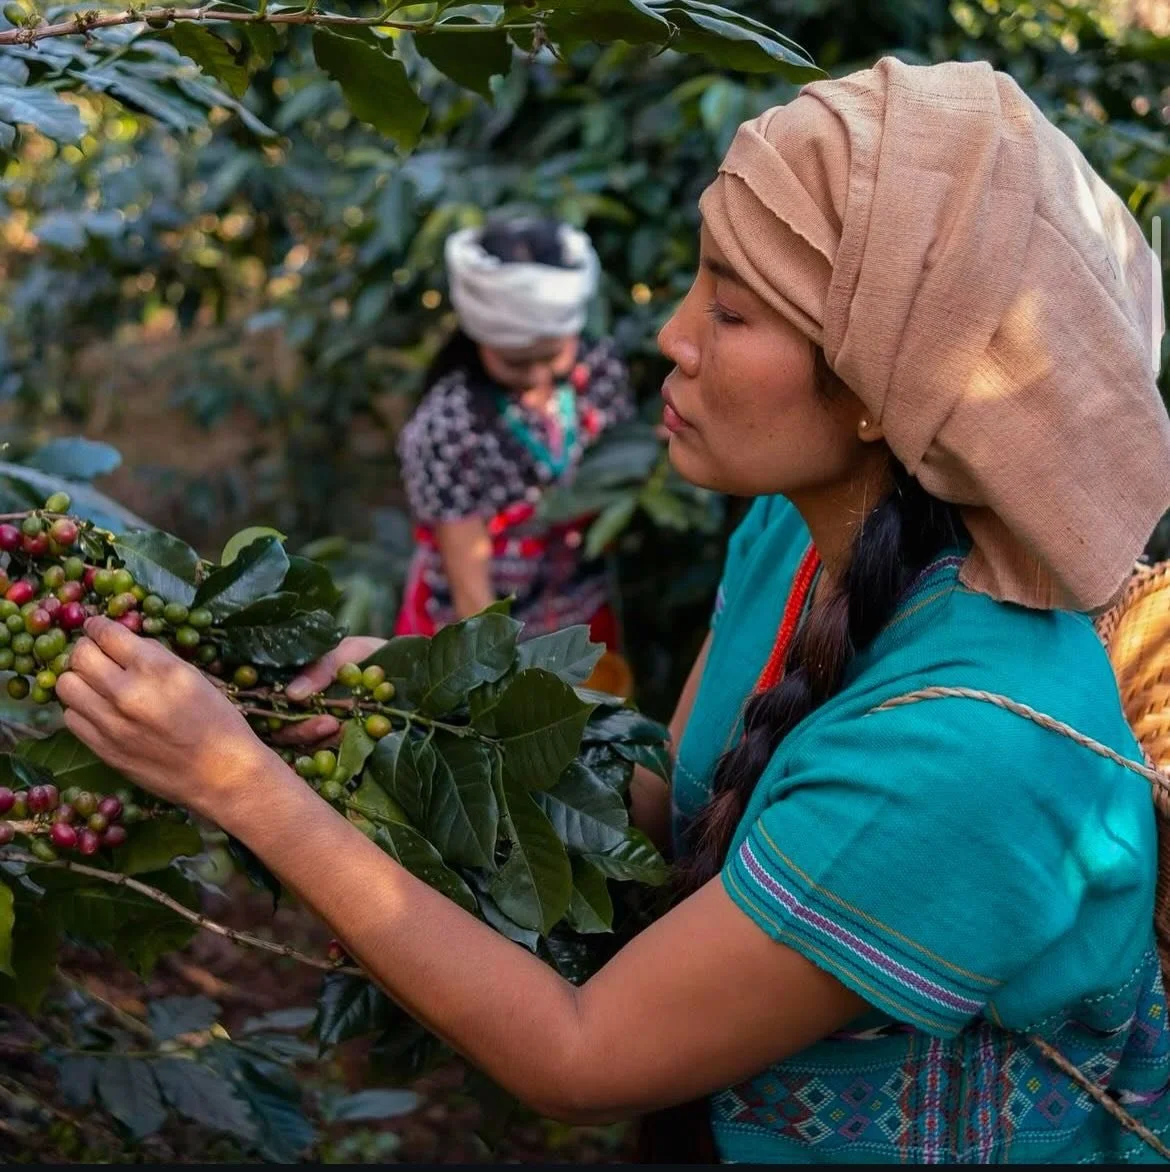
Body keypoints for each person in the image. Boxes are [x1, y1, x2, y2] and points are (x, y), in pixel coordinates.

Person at [55, 58, 1170, 1163]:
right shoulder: (799, 535)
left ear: (885, 388)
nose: (672, 336)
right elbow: (666, 796)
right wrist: (412, 709)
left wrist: (238, 784)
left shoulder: (965, 755)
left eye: (731, 310)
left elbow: (582, 1055)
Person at [395, 214, 634, 649]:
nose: (538, 376)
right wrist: (499, 670)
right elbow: (473, 598)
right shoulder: (450, 425)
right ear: (479, 338)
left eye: (552, 356)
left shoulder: (599, 370)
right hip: (487, 632)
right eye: (517, 362)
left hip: (578, 611)